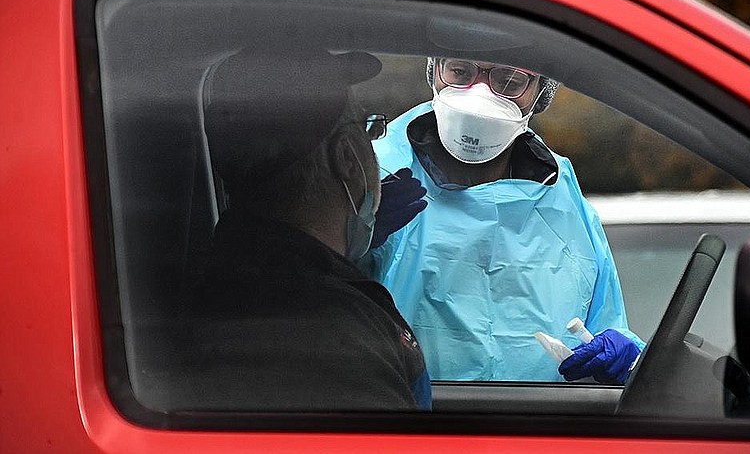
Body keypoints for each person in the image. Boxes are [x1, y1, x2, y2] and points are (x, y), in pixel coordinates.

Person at [176, 45, 431, 411]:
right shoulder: (328, 331)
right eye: (367, 129)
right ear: (346, 157)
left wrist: (342, 259)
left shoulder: (235, 274)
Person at [366, 56, 644, 383]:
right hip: (404, 428)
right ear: (434, 70)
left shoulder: (560, 192)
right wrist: (353, 243)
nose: (480, 94)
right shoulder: (376, 174)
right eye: (460, 71)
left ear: (541, 91)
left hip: (536, 428)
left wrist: (627, 357)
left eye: (509, 81)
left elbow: (604, 323)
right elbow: (314, 317)